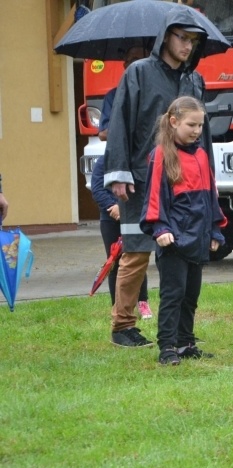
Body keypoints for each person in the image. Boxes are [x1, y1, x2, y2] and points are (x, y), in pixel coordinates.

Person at [104, 11, 212, 348]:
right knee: (136, 252)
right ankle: (123, 326)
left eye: (193, 40)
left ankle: (179, 334)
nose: (188, 46)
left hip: (184, 185)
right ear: (166, 37)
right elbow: (120, 123)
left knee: (183, 253)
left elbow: (203, 134)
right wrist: (119, 173)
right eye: (182, 37)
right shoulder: (138, 72)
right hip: (140, 179)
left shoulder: (195, 80)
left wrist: (209, 178)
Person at [140, 96, 226, 366]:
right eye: (192, 125)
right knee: (173, 295)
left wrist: (215, 229)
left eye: (200, 126)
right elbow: (153, 197)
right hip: (174, 241)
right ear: (174, 122)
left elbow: (210, 197)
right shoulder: (161, 155)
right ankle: (167, 347)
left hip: (197, 238)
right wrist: (160, 228)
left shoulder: (201, 155)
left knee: (191, 296)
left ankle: (186, 343)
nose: (197, 131)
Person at [92, 45, 152, 317]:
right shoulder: (113, 96)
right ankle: (120, 310)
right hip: (117, 203)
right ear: (125, 66)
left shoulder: (157, 91)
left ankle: (144, 303)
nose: (136, 66)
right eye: (131, 61)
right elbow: (105, 132)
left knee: (141, 250)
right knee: (120, 257)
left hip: (146, 173)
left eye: (141, 60)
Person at [90, 157, 151, 312]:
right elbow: (97, 189)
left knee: (137, 258)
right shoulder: (103, 162)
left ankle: (142, 302)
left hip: (134, 218)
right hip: (110, 219)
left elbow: (143, 190)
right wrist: (113, 206)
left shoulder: (137, 162)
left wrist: (123, 208)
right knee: (114, 262)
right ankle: (116, 305)